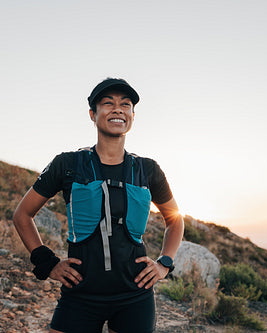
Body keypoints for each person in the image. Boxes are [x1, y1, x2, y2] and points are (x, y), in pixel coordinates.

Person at [13, 78, 184, 333]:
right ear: (93, 114)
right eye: (108, 103)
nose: (118, 109)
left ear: (132, 116)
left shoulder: (147, 170)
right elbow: (22, 215)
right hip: (80, 295)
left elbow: (175, 220)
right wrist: (47, 262)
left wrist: (164, 263)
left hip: (135, 297)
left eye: (125, 105)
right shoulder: (67, 164)